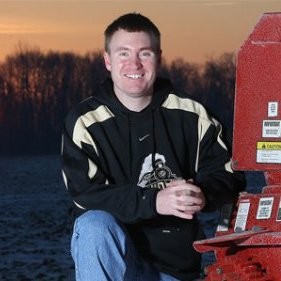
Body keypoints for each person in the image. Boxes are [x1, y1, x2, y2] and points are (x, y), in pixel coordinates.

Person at [61, 13, 245, 281]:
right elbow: (84, 195)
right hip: (117, 264)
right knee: (93, 225)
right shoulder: (84, 122)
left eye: (144, 53)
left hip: (175, 268)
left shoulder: (192, 115)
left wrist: (202, 194)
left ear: (158, 57)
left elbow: (231, 175)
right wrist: (155, 201)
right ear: (107, 61)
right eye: (123, 53)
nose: (134, 63)